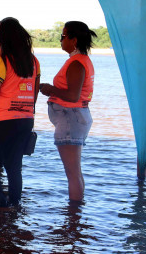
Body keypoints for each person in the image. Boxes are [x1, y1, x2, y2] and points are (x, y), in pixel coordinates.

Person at [0, 17, 40, 207]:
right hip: (26, 118)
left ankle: (0, 201)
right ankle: (15, 205)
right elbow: (34, 92)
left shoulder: (2, 59)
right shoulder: (33, 60)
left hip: (2, 117)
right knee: (14, 166)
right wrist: (27, 111)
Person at [39, 21, 96, 202]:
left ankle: (73, 218)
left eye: (63, 36)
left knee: (72, 174)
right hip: (74, 117)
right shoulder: (79, 60)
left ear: (74, 40)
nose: (60, 40)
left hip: (71, 118)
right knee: (75, 173)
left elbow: (72, 96)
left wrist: (50, 88)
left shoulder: (77, 63)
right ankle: (75, 219)